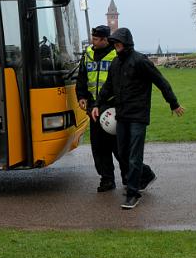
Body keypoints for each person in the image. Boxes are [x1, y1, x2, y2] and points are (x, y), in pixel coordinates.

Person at [92, 28, 184, 210]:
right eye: (114, 43)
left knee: (134, 156)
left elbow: (161, 82)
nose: (116, 46)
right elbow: (108, 87)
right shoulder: (116, 64)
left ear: (126, 43)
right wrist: (96, 104)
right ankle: (145, 175)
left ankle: (133, 193)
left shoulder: (141, 61)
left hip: (138, 116)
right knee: (123, 154)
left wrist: (173, 103)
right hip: (122, 115)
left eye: (119, 43)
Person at [77, 25, 125, 192]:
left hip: (112, 106)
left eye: (96, 39)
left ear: (106, 40)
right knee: (98, 146)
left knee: (118, 146)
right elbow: (82, 78)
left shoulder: (116, 55)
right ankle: (107, 179)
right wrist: (81, 96)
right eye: (93, 38)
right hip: (93, 107)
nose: (93, 42)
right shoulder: (88, 54)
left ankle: (129, 177)